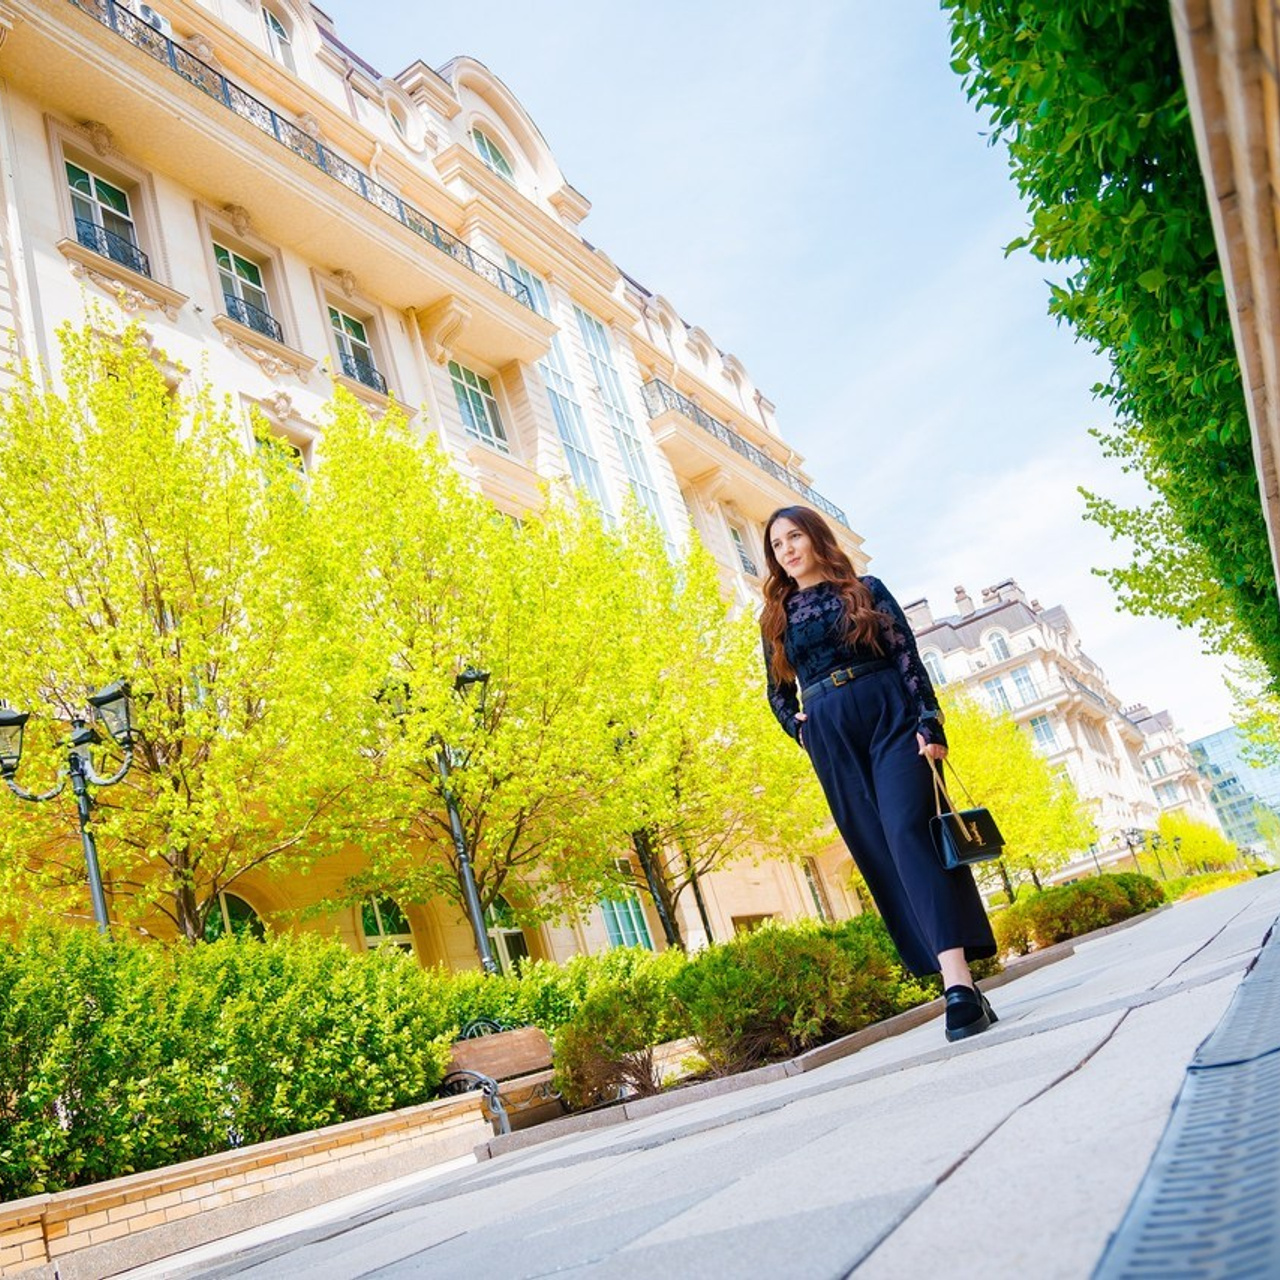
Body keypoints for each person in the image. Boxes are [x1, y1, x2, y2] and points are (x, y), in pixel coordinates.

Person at [760, 504, 998, 1042]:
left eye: (795, 537)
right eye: (777, 545)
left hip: (889, 712)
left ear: (817, 538)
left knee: (909, 833)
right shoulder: (776, 616)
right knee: (878, 848)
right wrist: (797, 727)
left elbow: (907, 657)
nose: (787, 550)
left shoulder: (864, 589)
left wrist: (930, 723)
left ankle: (958, 986)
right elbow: (777, 692)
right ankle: (955, 981)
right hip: (829, 733)